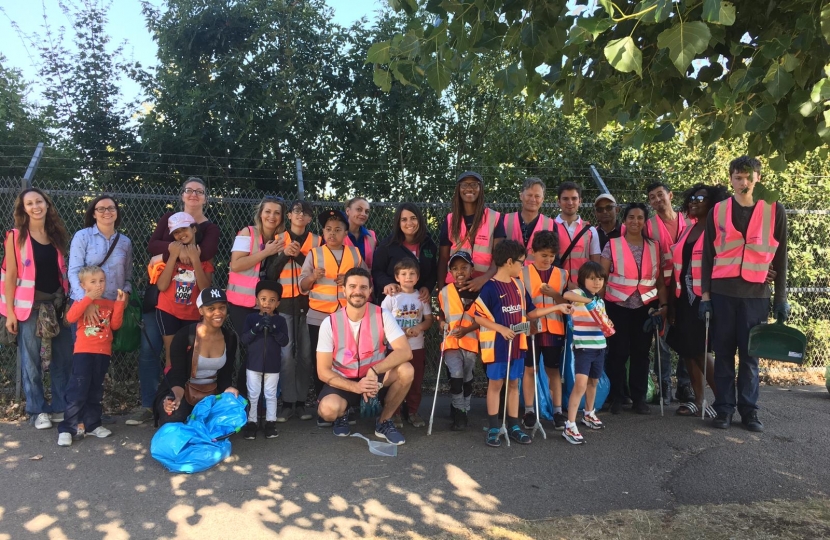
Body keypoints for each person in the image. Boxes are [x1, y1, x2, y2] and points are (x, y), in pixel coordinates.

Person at [700, 156, 788, 432]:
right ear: (731, 179)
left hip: (756, 295)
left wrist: (781, 299)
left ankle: (749, 411)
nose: (744, 182)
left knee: (751, 357)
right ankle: (724, 408)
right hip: (722, 294)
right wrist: (705, 297)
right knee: (724, 353)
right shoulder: (718, 211)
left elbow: (781, 257)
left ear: (758, 178)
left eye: (749, 177)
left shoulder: (775, 210)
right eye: (738, 177)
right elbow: (707, 257)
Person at [129, 177, 220, 426]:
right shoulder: (170, 219)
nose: (193, 195)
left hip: (192, 308)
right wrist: (174, 251)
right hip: (164, 303)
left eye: (199, 191)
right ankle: (152, 404)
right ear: (182, 195)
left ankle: (186, 403)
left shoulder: (209, 229)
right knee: (153, 352)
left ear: (205, 197)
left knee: (188, 356)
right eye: (189, 190)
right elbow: (152, 245)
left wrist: (182, 251)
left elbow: (207, 254)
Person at [475, 240, 573, 447]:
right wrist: (500, 329)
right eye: (521, 262)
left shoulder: (518, 285)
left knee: (514, 383)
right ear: (509, 262)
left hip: (518, 344)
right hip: (496, 347)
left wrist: (556, 309)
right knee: (496, 385)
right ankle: (494, 426)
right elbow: (478, 316)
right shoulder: (490, 287)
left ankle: (513, 425)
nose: (523, 266)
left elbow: (531, 313)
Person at [315, 268, 414, 445]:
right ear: (344, 290)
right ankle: (343, 413)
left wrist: (374, 371)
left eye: (363, 287)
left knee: (406, 370)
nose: (357, 291)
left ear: (369, 291)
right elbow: (323, 371)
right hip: (345, 381)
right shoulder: (329, 322)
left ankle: (383, 422)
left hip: (375, 377)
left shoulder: (382, 315)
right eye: (352, 286)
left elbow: (405, 351)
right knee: (327, 411)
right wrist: (356, 387)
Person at [2, 188, 73, 430]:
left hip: (57, 305)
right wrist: (10, 312)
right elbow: (10, 275)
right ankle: (36, 410)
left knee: (62, 359)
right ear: (23, 209)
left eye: (39, 201)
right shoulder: (15, 236)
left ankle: (60, 407)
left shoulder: (55, 235)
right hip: (29, 307)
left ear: (47, 204)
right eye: (29, 203)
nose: (35, 206)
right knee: (31, 360)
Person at [298, 209, 367, 419]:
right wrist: (312, 277)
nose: (332, 234)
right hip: (319, 317)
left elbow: (365, 278)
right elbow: (302, 285)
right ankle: (323, 403)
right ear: (323, 232)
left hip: (348, 317)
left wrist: (350, 278)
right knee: (322, 361)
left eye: (337, 230)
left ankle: (348, 405)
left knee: (348, 359)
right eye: (328, 229)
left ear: (346, 232)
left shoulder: (354, 253)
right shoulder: (314, 253)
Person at [601, 203, 669, 415]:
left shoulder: (654, 246)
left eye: (640, 218)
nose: (635, 221)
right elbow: (601, 278)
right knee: (618, 352)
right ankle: (617, 397)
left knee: (641, 353)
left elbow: (659, 281)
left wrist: (664, 305)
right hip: (617, 305)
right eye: (631, 217)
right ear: (624, 219)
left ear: (644, 221)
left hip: (645, 307)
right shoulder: (612, 245)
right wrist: (600, 306)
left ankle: (639, 398)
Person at [668, 184, 726, 418]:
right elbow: (676, 269)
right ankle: (699, 400)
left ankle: (723, 401)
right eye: (691, 197)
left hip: (705, 299)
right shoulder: (687, 229)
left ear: (713, 201)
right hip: (684, 299)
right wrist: (672, 302)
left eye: (700, 197)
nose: (694, 201)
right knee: (687, 350)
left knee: (701, 351)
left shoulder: (718, 229)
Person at [265, 200, 321, 422]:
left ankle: (300, 402)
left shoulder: (317, 241)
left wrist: (297, 255)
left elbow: (317, 271)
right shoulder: (278, 239)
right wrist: (284, 254)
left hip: (309, 305)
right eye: (296, 211)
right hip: (285, 305)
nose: (300, 215)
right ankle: (287, 403)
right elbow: (270, 274)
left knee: (306, 356)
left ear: (309, 219)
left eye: (305, 213)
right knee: (286, 356)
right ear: (289, 215)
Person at [57, 267, 126, 446]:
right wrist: (88, 299)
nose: (98, 285)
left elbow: (116, 325)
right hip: (83, 352)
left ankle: (92, 424)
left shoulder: (109, 303)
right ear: (83, 285)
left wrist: (119, 304)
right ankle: (67, 428)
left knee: (95, 389)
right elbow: (70, 317)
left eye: (101, 281)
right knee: (77, 390)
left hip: (103, 353)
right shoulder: (81, 302)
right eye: (93, 282)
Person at [155, 288, 239, 426]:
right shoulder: (185, 335)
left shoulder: (229, 338)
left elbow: (225, 375)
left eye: (222, 308)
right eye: (211, 308)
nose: (218, 313)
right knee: (174, 417)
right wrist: (175, 398)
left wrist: (228, 389)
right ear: (201, 310)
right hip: (182, 390)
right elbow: (177, 374)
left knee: (237, 412)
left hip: (211, 394)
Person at [646, 182, 693, 406]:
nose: (657, 200)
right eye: (652, 197)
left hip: (687, 287)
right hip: (662, 288)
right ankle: (664, 386)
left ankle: (685, 384)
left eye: (660, 195)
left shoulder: (689, 221)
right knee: (662, 338)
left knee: (686, 336)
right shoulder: (648, 226)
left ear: (670, 195)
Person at [519, 231, 569, 430]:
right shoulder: (521, 272)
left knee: (553, 370)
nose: (548, 259)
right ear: (533, 252)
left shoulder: (562, 274)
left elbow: (565, 303)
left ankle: (557, 411)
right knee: (529, 369)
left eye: (551, 255)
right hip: (529, 328)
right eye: (543, 255)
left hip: (554, 328)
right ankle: (529, 411)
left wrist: (555, 294)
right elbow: (518, 301)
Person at [68, 195, 133, 338]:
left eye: (111, 208)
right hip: (85, 303)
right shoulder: (82, 236)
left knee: (105, 351)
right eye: (101, 209)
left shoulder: (125, 242)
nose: (107, 212)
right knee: (82, 352)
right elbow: (73, 272)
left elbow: (128, 277)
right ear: (94, 213)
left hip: (111, 305)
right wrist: (86, 302)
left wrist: (126, 293)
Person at [155, 212, 214, 369]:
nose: (180, 234)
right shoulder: (172, 253)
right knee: (171, 355)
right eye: (176, 232)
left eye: (183, 229)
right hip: (168, 310)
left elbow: (205, 289)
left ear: (194, 229)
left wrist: (195, 259)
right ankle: (171, 392)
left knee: (189, 354)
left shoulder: (204, 257)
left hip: (192, 313)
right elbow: (161, 286)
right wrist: (173, 256)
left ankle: (187, 390)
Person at [561, 262, 610, 444]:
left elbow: (603, 322)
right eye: (591, 278)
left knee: (593, 382)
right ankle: (570, 424)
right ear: (583, 280)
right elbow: (566, 294)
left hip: (599, 347)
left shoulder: (600, 300)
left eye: (600, 279)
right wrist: (587, 301)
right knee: (580, 385)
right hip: (583, 347)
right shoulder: (580, 295)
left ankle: (589, 413)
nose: (596, 282)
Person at [381, 259, 433, 428]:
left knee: (416, 381)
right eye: (403, 274)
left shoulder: (421, 297)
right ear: (397, 277)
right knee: (397, 379)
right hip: (395, 348)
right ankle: (394, 413)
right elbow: (381, 320)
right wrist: (396, 332)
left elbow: (429, 320)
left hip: (417, 346)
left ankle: (412, 411)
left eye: (412, 274)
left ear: (418, 277)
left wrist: (418, 327)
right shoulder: (391, 297)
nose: (408, 277)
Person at [227, 196, 287, 334]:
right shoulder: (247, 232)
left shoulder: (283, 238)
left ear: (282, 217)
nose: (272, 216)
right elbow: (235, 265)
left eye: (277, 213)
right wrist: (266, 252)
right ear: (260, 213)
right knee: (250, 343)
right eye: (268, 211)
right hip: (241, 302)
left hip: (268, 304)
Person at [437, 171, 505, 291]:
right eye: (464, 185)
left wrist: (484, 278)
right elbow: (443, 258)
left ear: (480, 188)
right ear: (458, 189)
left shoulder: (494, 218)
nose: (469, 188)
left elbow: (499, 256)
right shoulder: (450, 219)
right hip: (455, 286)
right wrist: (442, 291)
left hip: (486, 285)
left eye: (474, 184)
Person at [240, 280, 289, 440]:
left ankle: (270, 422)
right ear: (256, 300)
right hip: (253, 365)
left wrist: (273, 330)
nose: (267, 303)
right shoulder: (250, 318)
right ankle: (252, 422)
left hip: (272, 366)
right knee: (253, 394)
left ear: (278, 303)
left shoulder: (280, 321)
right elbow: (245, 339)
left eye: (272, 300)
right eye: (263, 299)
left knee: (270, 394)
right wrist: (256, 328)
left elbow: (284, 341)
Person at [437, 251, 480, 431]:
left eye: (464, 267)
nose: (459, 271)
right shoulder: (445, 292)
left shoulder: (479, 291)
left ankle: (464, 407)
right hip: (451, 343)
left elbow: (483, 319)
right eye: (454, 269)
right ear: (450, 272)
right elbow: (441, 315)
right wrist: (441, 324)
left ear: (472, 269)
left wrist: (467, 330)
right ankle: (459, 412)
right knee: (456, 376)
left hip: (470, 342)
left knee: (467, 378)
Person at [372, 202, 438, 305]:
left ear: (419, 220)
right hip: (393, 302)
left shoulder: (429, 244)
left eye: (413, 218)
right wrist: (387, 283)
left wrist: (427, 287)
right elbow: (377, 271)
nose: (409, 223)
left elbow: (433, 272)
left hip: (418, 302)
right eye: (404, 220)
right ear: (398, 223)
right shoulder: (388, 245)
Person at [502, 177, 557, 265]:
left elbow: (554, 257)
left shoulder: (551, 225)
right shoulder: (504, 220)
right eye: (529, 195)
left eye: (537, 196)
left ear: (542, 199)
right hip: (510, 277)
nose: (533, 199)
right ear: (521, 196)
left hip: (538, 277)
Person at [555, 182, 601, 283]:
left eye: (574, 198)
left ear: (580, 201)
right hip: (557, 286)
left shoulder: (590, 230)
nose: (570, 202)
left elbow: (595, 264)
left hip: (583, 289)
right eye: (565, 198)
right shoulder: (549, 227)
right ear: (558, 201)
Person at [343, 197, 378, 269]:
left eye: (367, 211)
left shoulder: (371, 236)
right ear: (347, 211)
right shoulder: (336, 235)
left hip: (367, 279)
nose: (363, 214)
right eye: (359, 209)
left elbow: (375, 265)